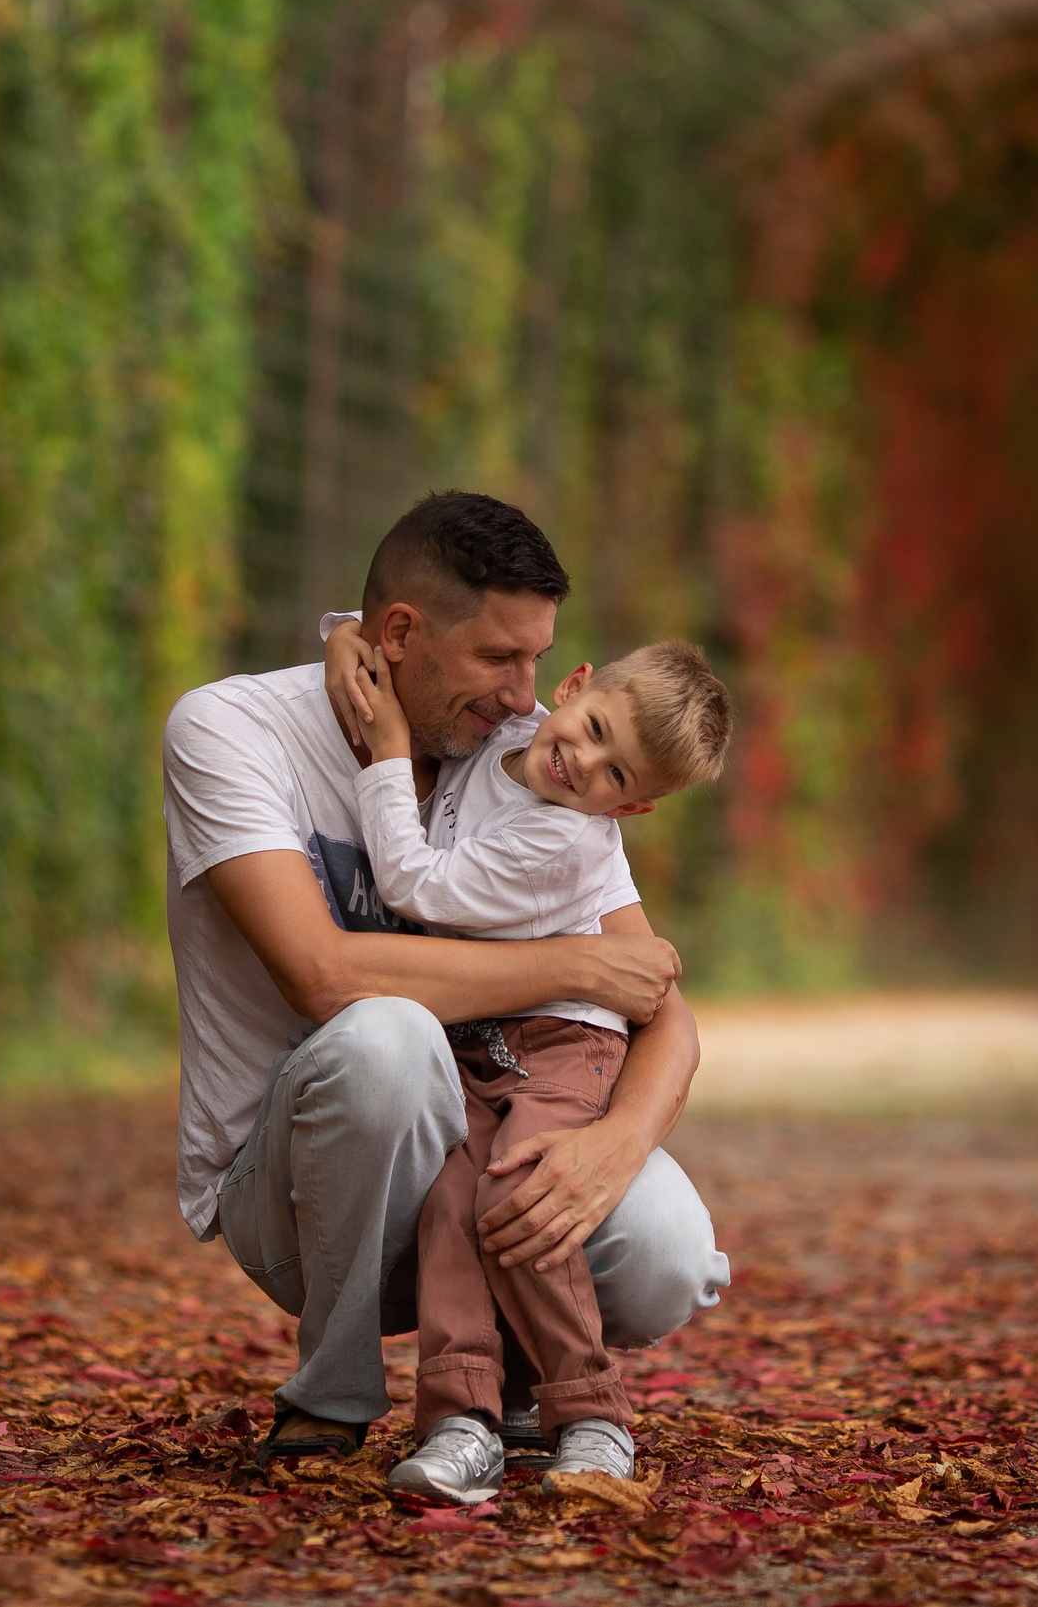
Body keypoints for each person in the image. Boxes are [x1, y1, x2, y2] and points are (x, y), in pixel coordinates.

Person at [159, 491, 730, 1467]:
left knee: (666, 1243)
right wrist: (561, 964)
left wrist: (612, 1146)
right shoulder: (227, 731)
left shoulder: (528, 758)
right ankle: (328, 1398)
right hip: (299, 1194)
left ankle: (501, 1393)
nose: (525, 694)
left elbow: (658, 1010)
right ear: (401, 633)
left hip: (480, 1152)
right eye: (499, 659)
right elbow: (323, 975)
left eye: (539, 662)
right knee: (390, 1037)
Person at [324, 626, 732, 1503]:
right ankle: (460, 1421)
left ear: (630, 810)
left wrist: (389, 753)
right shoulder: (515, 731)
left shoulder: (562, 842)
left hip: (562, 1041)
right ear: (575, 686)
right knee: (450, 1201)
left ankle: (592, 1418)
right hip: (483, 1032)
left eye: (617, 774)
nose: (583, 762)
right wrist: (343, 641)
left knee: (520, 1194)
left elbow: (417, 886)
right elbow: (405, 621)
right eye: (591, 727)